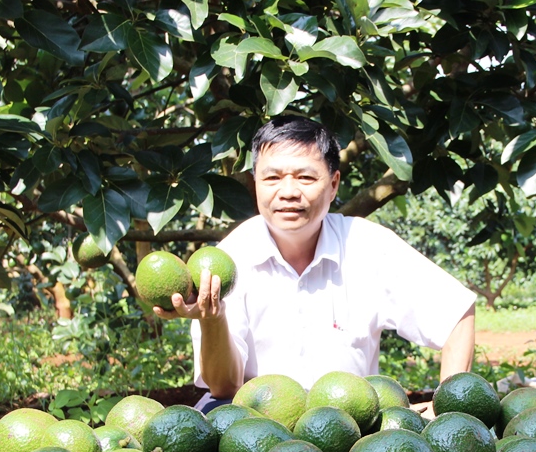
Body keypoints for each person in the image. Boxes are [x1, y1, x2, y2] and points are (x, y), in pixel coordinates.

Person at [153, 116, 477, 411]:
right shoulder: (229, 260)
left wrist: (447, 409)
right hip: (254, 425)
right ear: (255, 184)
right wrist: (214, 319)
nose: (289, 192)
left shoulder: (369, 246)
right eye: (273, 178)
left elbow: (456, 312)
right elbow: (224, 387)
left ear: (334, 184)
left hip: (349, 422)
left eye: (306, 177)